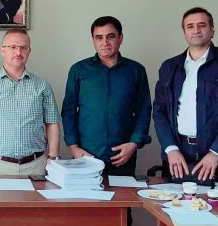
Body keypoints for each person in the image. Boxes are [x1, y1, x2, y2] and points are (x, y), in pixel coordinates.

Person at [153, 7, 218, 187]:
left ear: (212, 30)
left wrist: (216, 153)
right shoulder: (169, 67)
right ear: (184, 32)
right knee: (174, 204)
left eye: (202, 25)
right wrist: (170, 149)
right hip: (178, 155)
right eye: (190, 26)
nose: (196, 30)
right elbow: (159, 112)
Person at [61, 16, 152, 175]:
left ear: (120, 38)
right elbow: (68, 111)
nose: (105, 42)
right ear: (93, 40)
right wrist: (73, 147)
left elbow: (143, 110)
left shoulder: (136, 70)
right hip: (86, 155)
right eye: (99, 37)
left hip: (123, 155)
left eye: (110, 36)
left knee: (122, 192)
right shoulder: (79, 70)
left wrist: (134, 143)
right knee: (85, 192)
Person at [0, 28, 60, 177]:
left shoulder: (42, 86)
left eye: (23, 48)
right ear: (2, 50)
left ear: (29, 51)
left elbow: (52, 123)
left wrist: (53, 157)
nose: (18, 52)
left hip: (36, 166)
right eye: (13, 47)